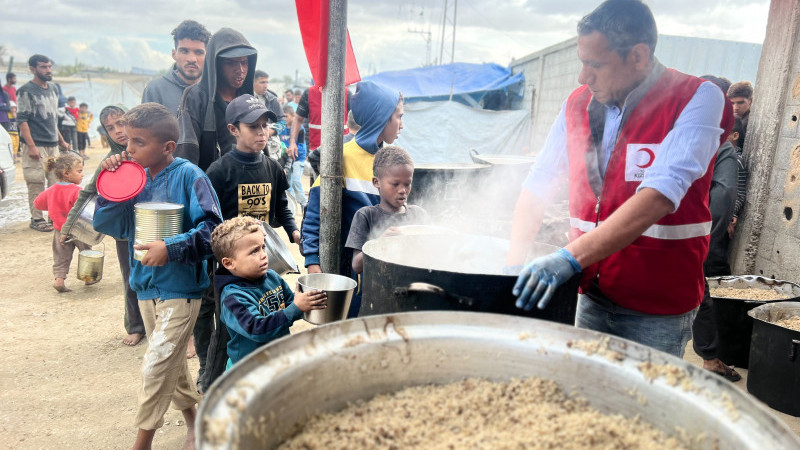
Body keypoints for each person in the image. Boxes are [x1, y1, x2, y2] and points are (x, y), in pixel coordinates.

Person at [508, 0, 732, 358]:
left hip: (658, 308)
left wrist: (567, 258)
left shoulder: (698, 98)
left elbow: (661, 193)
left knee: (644, 405)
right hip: (590, 293)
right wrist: (513, 266)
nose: (583, 77)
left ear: (639, 56)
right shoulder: (577, 104)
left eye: (594, 64)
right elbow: (540, 182)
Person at [92, 102, 222, 450]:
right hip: (145, 287)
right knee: (173, 361)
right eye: (126, 141)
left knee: (156, 363)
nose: (128, 148)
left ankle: (142, 442)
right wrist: (111, 185)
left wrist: (171, 247)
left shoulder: (191, 176)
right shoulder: (134, 176)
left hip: (182, 287)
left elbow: (214, 230)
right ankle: (194, 419)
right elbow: (112, 225)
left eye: (137, 142)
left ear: (166, 147)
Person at [199, 94, 301, 392]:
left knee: (265, 308)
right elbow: (208, 217)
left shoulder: (271, 168)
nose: (262, 132)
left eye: (265, 125)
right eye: (253, 126)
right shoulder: (219, 171)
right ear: (233, 130)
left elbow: (281, 205)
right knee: (228, 327)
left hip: (259, 257)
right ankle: (212, 381)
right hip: (230, 264)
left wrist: (294, 231)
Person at [301, 80, 403, 317]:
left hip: (381, 271)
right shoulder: (342, 158)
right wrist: (313, 262)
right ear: (382, 117)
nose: (402, 125)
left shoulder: (391, 161)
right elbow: (315, 213)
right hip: (349, 272)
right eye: (398, 117)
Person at [64, 104, 148, 346]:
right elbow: (88, 193)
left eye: (122, 123)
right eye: (111, 128)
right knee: (131, 278)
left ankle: (160, 323)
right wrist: (69, 226)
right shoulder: (109, 161)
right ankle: (135, 325)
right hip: (124, 232)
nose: (118, 131)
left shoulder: (147, 150)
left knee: (158, 274)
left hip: (151, 223)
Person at [211, 216, 326, 368]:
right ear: (229, 263)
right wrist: (296, 307)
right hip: (248, 369)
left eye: (263, 247)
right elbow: (257, 328)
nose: (263, 254)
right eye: (254, 251)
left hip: (277, 360)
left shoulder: (272, 277)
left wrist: (309, 300)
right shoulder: (233, 297)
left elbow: (291, 304)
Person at [176, 28, 258, 171]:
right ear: (216, 64)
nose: (240, 69)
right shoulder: (196, 97)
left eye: (244, 62)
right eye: (231, 63)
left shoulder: (250, 101)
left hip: (243, 183)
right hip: (208, 183)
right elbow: (188, 149)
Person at [346, 145, 428, 274]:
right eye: (395, 184)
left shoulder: (418, 215)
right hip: (379, 291)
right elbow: (356, 266)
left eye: (407, 184)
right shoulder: (366, 216)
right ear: (376, 182)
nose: (403, 190)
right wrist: (380, 243)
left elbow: (431, 254)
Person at [17, 54, 72, 232]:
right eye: (43, 67)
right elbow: (22, 120)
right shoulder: (26, 91)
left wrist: (62, 141)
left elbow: (52, 119)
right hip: (36, 144)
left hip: (52, 144)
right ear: (33, 69)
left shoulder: (54, 89)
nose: (48, 70)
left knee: (56, 181)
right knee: (35, 181)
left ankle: (54, 218)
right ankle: (36, 218)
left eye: (49, 66)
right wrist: (31, 146)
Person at [33, 152, 91, 293]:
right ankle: (89, 278)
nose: (82, 174)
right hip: (78, 230)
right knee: (86, 253)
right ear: (66, 173)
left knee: (60, 257)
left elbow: (37, 204)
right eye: (79, 171)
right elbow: (85, 210)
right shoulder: (77, 191)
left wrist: (53, 206)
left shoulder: (51, 190)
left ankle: (59, 279)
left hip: (60, 231)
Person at [142, 20, 211, 116]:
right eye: (184, 51)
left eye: (198, 52)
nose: (191, 59)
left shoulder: (214, 91)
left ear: (208, 57)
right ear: (174, 54)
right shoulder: (155, 90)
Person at [281, 104, 307, 212]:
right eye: (283, 117)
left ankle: (304, 204)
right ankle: (291, 207)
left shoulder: (300, 129)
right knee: (289, 184)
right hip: (287, 160)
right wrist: (285, 149)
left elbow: (301, 146)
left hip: (298, 159)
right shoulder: (282, 129)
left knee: (296, 181)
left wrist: (291, 150)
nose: (285, 119)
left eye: (286, 116)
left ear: (293, 116)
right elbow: (280, 143)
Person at [253, 70, 287, 148]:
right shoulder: (245, 97)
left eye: (267, 82)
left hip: (270, 144)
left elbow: (282, 121)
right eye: (262, 82)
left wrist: (271, 131)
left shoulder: (273, 99)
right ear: (253, 83)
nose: (266, 85)